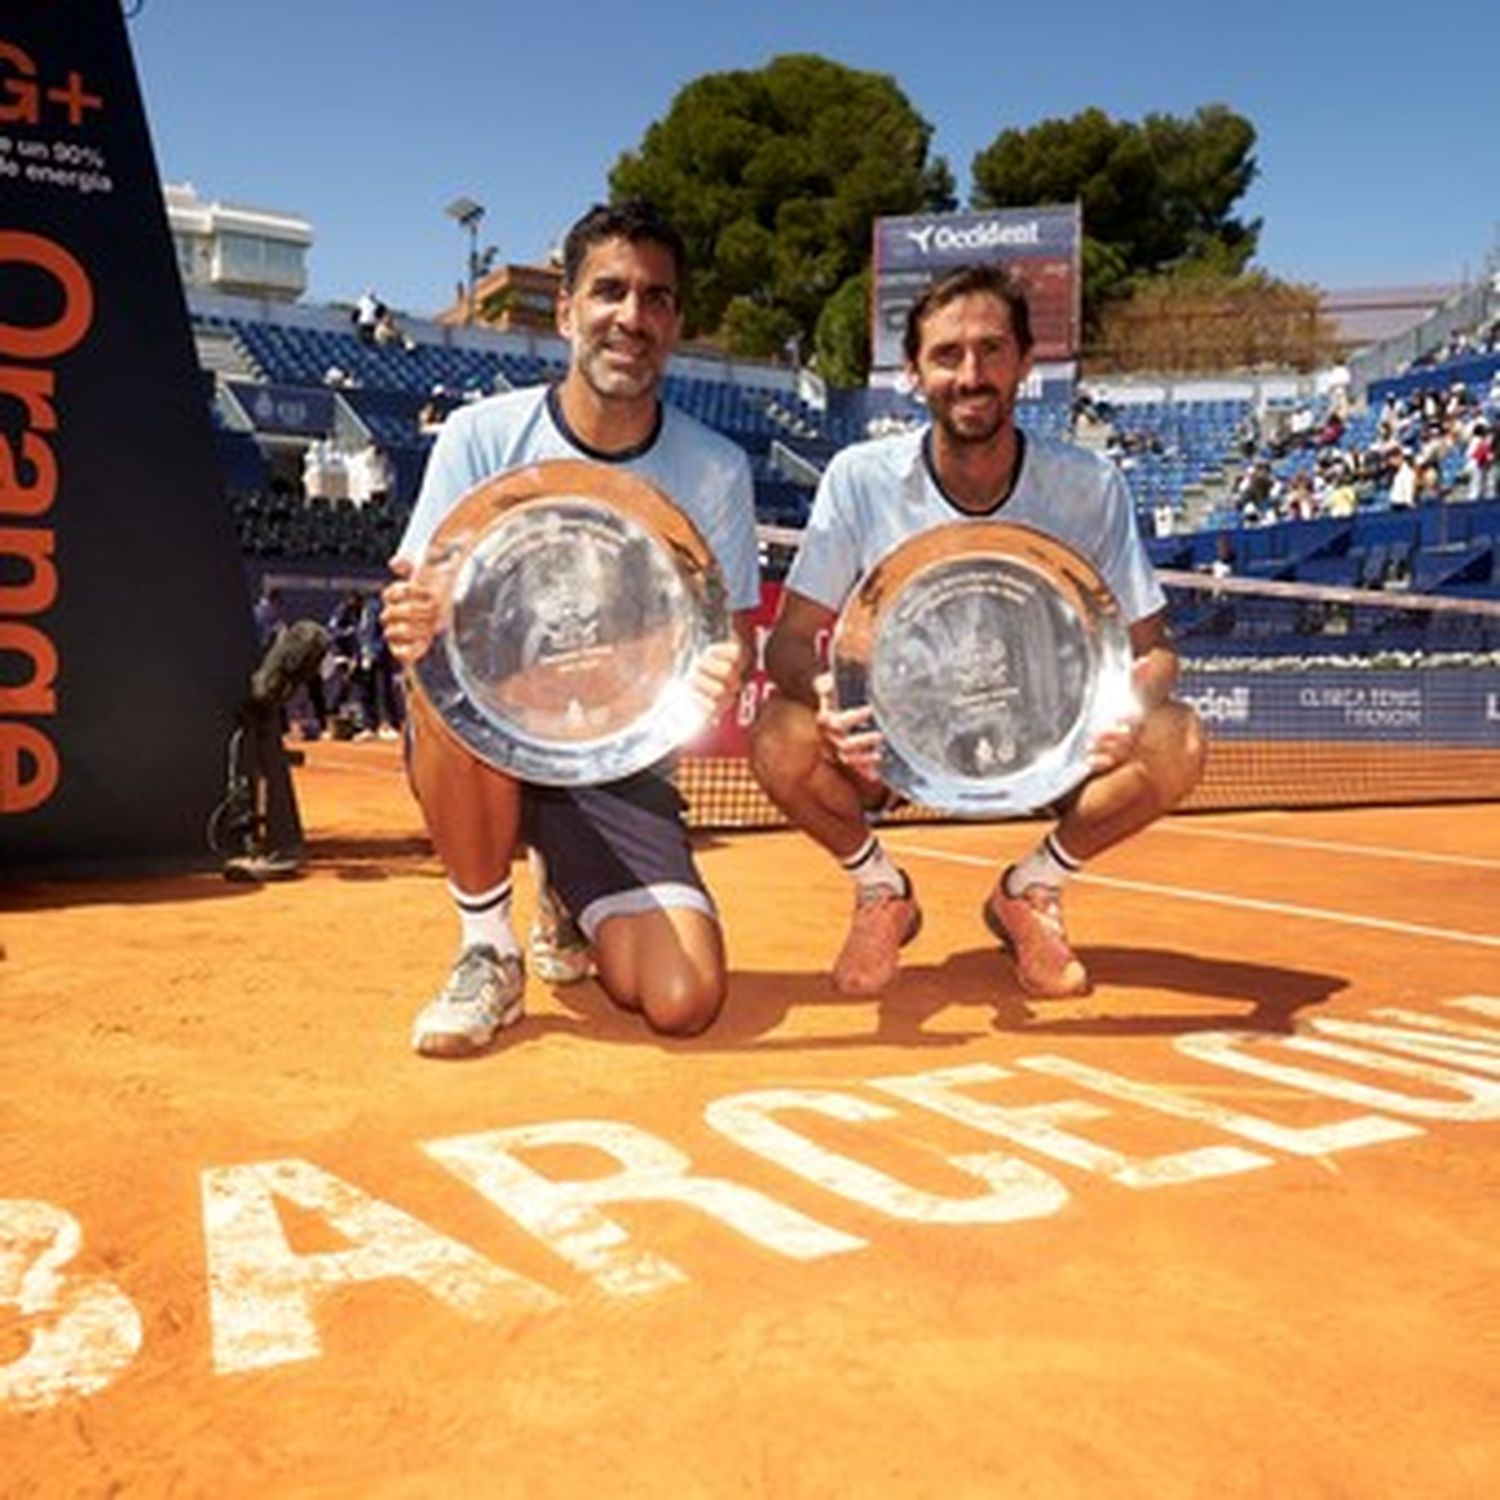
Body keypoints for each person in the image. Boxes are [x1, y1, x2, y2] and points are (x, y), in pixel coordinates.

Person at [749, 264, 1205, 1001]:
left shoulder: (1088, 485)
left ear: (1026, 363)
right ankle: (880, 892)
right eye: (947, 355)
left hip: (1052, 752)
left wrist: (1124, 706)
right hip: (892, 753)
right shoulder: (859, 478)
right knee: (779, 734)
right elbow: (789, 644)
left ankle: (1031, 890)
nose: (972, 373)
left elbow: (1152, 651)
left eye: (992, 350)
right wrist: (828, 699)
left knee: (1176, 738)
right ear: (912, 373)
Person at [382, 200, 760, 1059]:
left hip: (620, 763)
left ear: (677, 321)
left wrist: (720, 670)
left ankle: (564, 888)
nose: (632, 317)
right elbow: (425, 605)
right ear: (566, 311)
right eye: (610, 292)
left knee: (683, 998)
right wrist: (408, 620)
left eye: (656, 298)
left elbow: (724, 638)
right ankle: (488, 946)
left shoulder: (716, 469)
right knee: (439, 670)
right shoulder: (481, 438)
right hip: (490, 741)